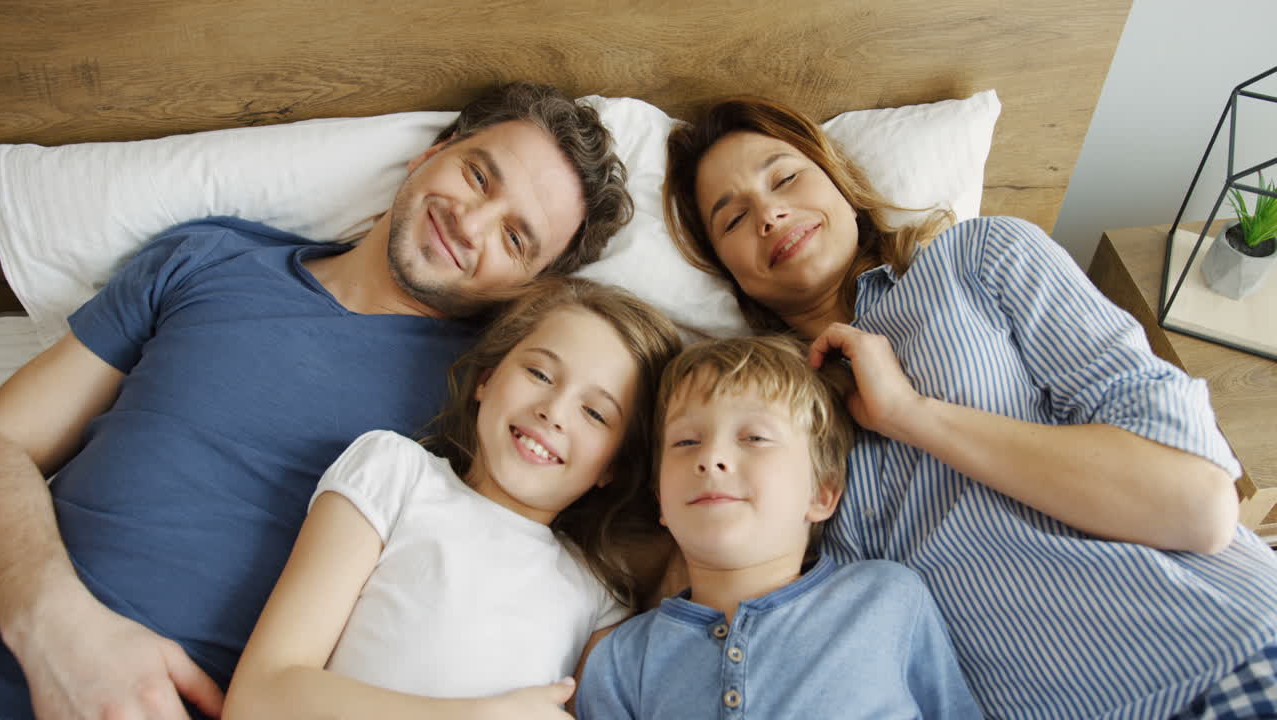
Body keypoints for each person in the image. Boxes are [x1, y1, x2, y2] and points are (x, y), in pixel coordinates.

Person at [0, 82, 633, 720]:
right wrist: (52, 623)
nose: (470, 223)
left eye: (516, 239)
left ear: (530, 290)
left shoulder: (497, 401)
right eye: (476, 176)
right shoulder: (211, 258)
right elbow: (6, 439)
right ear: (429, 154)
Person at [661, 96, 1277, 719]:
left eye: (786, 177)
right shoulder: (754, 422)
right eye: (732, 219)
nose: (769, 213)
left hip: (1227, 659)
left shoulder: (978, 261)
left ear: (841, 182)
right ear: (726, 272)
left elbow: (1198, 505)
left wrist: (911, 414)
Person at [221, 276, 681, 720]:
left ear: (614, 467)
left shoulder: (598, 596)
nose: (554, 411)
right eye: (540, 373)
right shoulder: (395, 473)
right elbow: (260, 698)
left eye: (595, 413)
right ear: (486, 378)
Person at [575, 335, 981, 719]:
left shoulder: (884, 599)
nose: (712, 457)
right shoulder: (621, 659)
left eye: (754, 437)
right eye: (685, 442)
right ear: (660, 500)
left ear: (821, 493)